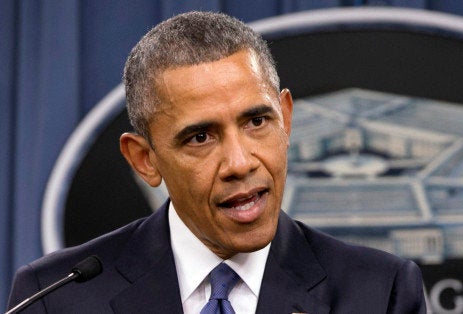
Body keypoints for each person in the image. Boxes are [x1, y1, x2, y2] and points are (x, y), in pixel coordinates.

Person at [7, 11, 426, 313]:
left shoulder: (378, 292)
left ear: (287, 118)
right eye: (200, 137)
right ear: (144, 159)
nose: (240, 163)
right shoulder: (57, 298)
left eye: (257, 121)